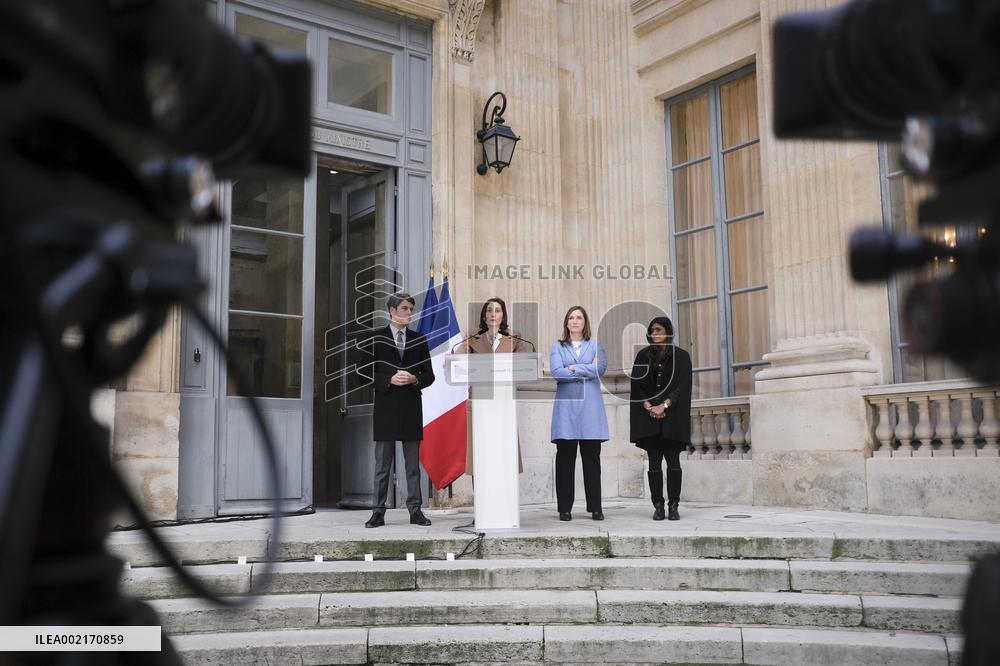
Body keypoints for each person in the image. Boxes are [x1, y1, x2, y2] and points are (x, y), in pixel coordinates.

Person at [359, 292, 435, 528]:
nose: (409, 313)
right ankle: (377, 513)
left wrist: (414, 378)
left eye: (411, 309)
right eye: (405, 309)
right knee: (382, 466)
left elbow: (429, 375)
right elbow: (362, 373)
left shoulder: (419, 339)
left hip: (411, 407)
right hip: (386, 407)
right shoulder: (374, 338)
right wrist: (388, 380)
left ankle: (415, 511)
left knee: (412, 466)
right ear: (392, 311)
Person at [456, 297, 528, 477]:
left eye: (497, 310)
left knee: (502, 452)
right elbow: (457, 361)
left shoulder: (513, 337)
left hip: (503, 402)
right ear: (483, 315)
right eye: (489, 310)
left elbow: (525, 363)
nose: (493, 314)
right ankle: (481, 500)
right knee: (480, 454)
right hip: (480, 402)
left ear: (503, 315)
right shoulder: (473, 336)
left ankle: (504, 500)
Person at [629, 316, 693, 521]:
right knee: (654, 464)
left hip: (672, 416)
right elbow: (636, 386)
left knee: (674, 463)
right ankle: (658, 505)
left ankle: (674, 504)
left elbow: (683, 386)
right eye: (652, 331)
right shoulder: (642, 356)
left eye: (658, 330)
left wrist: (664, 405)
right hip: (649, 418)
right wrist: (649, 406)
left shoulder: (682, 357)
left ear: (668, 332)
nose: (655, 334)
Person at [549, 306, 609, 521]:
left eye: (579, 317)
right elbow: (557, 372)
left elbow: (600, 369)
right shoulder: (557, 347)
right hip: (566, 410)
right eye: (571, 318)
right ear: (566, 322)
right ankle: (564, 508)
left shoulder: (595, 345)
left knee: (592, 460)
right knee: (565, 461)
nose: (575, 321)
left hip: (590, 410)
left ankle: (596, 507)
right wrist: (585, 368)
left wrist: (572, 368)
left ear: (585, 322)